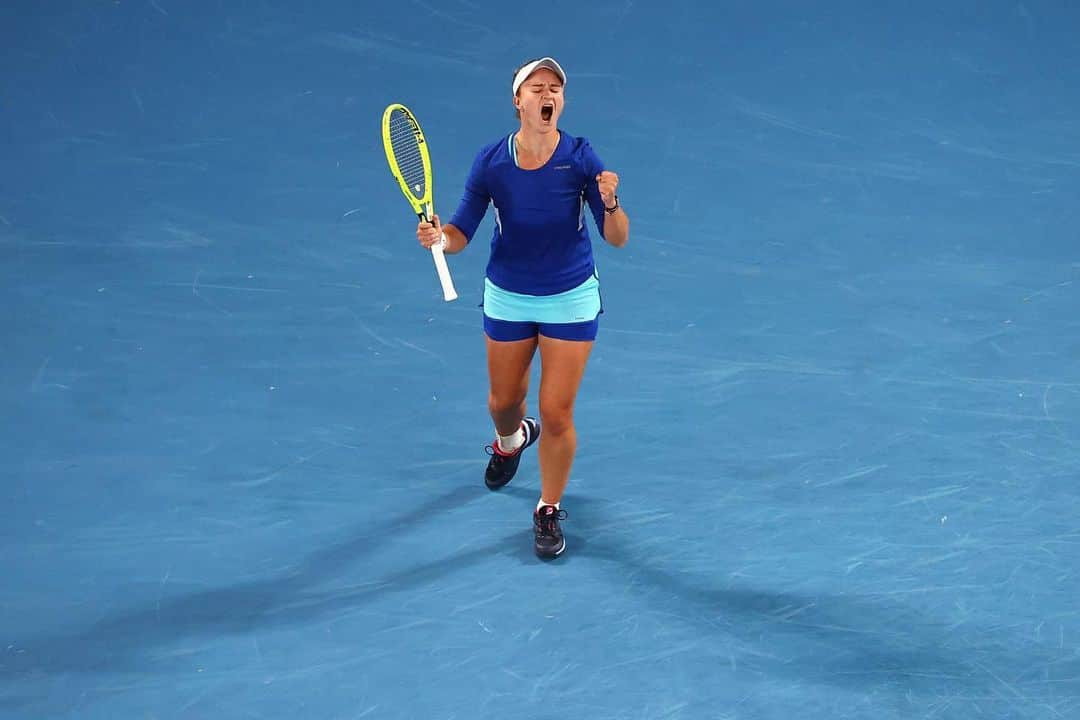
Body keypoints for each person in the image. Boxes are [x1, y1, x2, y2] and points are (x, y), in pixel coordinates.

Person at [416, 57, 630, 559]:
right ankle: (511, 440)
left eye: (555, 88)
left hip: (571, 296)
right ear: (519, 101)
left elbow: (617, 239)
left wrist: (612, 202)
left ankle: (547, 508)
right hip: (509, 293)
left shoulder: (581, 157)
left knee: (556, 412)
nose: (547, 94)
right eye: (536, 88)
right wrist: (438, 240)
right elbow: (461, 232)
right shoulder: (492, 161)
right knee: (502, 404)